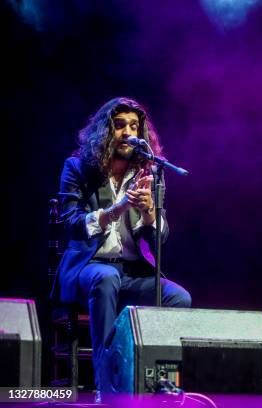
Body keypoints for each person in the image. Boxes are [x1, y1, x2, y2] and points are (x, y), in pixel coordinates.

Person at [55, 97, 192, 390]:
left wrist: (149, 212)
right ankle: (107, 388)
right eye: (120, 126)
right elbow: (71, 225)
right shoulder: (77, 168)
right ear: (105, 131)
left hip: (132, 272)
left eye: (134, 126)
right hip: (89, 268)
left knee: (179, 298)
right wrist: (114, 210)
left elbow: (159, 241)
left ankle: (163, 385)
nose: (128, 132)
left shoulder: (150, 173)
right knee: (105, 279)